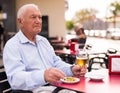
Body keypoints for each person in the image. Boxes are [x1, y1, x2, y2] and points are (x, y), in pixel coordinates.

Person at [3, 4, 86, 93]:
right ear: (20, 22)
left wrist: (71, 69)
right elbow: (16, 80)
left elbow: (56, 63)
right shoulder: (12, 45)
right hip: (35, 90)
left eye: (40, 17)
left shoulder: (43, 41)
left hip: (56, 86)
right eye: (33, 17)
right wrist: (43, 76)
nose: (38, 21)